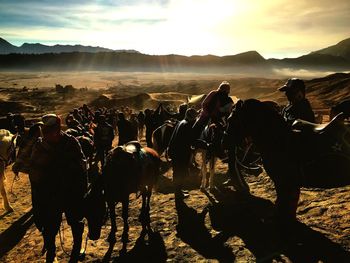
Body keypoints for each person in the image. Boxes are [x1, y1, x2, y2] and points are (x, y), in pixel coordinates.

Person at [29, 114, 87, 263]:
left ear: (57, 128)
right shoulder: (39, 146)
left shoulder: (71, 142)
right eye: (45, 129)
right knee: (49, 226)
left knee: (76, 221)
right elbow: (34, 170)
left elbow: (82, 165)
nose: (46, 132)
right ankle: (51, 251)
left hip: (70, 191)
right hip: (49, 194)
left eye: (50, 129)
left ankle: (77, 248)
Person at [168, 108, 198, 199]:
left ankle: (179, 190)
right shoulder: (187, 125)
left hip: (175, 151)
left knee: (177, 172)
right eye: (195, 117)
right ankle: (178, 194)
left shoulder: (181, 122)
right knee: (180, 173)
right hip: (180, 153)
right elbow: (190, 141)